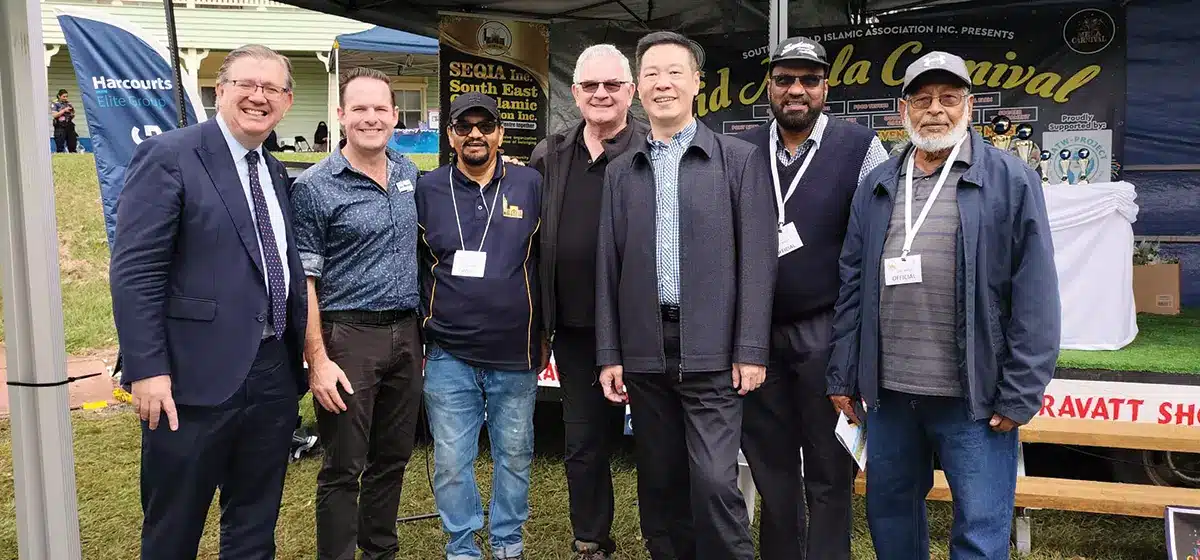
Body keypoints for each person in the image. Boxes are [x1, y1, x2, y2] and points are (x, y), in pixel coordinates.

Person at [826, 50, 1060, 560]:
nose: (936, 110)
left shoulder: (1010, 180)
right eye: (923, 99)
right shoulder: (879, 185)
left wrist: (1021, 390)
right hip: (888, 398)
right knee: (891, 518)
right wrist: (843, 373)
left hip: (973, 397)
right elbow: (852, 284)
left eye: (949, 98)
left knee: (980, 525)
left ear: (969, 106)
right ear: (902, 110)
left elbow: (1036, 293)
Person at [109, 44, 306, 559]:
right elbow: (136, 271)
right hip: (190, 382)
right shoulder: (170, 155)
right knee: (174, 528)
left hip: (270, 375)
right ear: (220, 91)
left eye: (272, 88)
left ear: (286, 102)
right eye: (246, 83)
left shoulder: (275, 172)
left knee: (254, 525)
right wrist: (147, 369)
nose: (257, 96)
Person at [595, 30, 776, 560]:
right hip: (647, 353)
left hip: (714, 353)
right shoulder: (621, 170)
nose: (663, 84)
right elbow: (609, 266)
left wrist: (751, 349)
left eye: (675, 72)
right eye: (651, 74)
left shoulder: (737, 160)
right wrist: (610, 354)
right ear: (637, 88)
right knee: (659, 481)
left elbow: (758, 262)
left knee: (716, 483)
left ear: (697, 83)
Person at [733, 36, 889, 560]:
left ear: (826, 85)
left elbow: (878, 243)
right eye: (784, 80)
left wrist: (858, 345)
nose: (796, 90)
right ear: (769, 87)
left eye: (808, 80)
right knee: (770, 465)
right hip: (756, 335)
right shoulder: (742, 150)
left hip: (827, 330)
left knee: (829, 466)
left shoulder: (860, 147)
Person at [290, 67, 424, 560]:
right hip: (348, 337)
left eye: (380, 108)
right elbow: (303, 281)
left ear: (394, 115)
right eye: (359, 109)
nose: (371, 118)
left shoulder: (409, 173)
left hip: (406, 335)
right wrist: (318, 360)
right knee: (345, 465)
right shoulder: (315, 186)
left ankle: (380, 551)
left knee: (393, 458)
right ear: (342, 115)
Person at [528, 43, 646, 560]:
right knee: (582, 443)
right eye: (590, 86)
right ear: (574, 93)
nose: (601, 94)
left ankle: (668, 537)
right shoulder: (548, 154)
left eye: (612, 85)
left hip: (645, 330)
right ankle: (591, 539)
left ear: (631, 92)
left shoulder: (652, 151)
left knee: (659, 444)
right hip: (575, 329)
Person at [416, 91, 544, 560]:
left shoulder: (531, 184)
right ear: (450, 135)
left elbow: (548, 259)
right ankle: (462, 545)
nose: (475, 134)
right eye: (464, 126)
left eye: (484, 125)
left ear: (500, 133)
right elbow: (415, 263)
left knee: (515, 456)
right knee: (452, 461)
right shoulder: (427, 187)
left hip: (516, 352)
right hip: (449, 351)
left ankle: (508, 541)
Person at [51, 89, 78, 153]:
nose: (65, 98)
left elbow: (73, 115)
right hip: (60, 127)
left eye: (66, 96)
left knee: (72, 145)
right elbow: (54, 115)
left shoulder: (68, 104)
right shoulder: (55, 104)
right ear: (59, 96)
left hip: (69, 126)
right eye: (64, 96)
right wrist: (64, 110)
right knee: (60, 146)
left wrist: (72, 114)